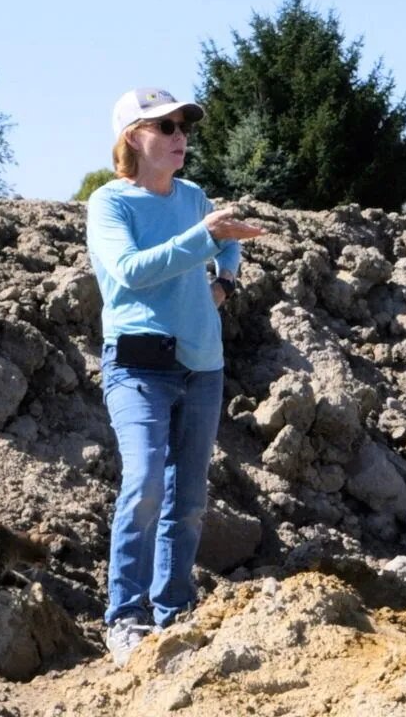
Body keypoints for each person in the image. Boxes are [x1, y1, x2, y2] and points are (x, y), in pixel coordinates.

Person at [86, 87, 263, 666]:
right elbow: (132, 273)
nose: (179, 135)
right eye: (163, 126)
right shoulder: (111, 204)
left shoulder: (193, 198)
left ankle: (175, 611)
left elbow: (223, 245)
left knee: (188, 500)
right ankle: (125, 617)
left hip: (202, 365)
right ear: (131, 138)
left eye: (183, 125)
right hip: (138, 365)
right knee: (144, 485)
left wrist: (225, 280)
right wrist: (206, 238)